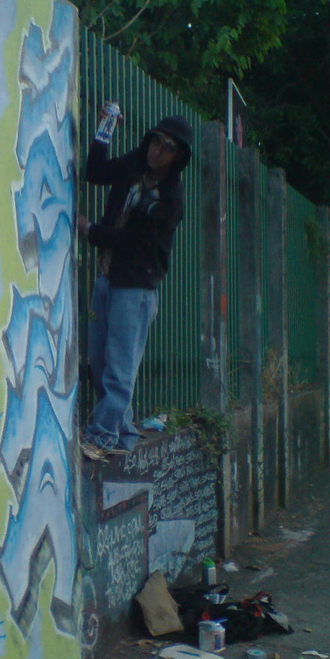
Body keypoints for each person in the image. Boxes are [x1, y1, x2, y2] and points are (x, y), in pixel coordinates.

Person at [76, 106, 193, 459]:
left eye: (166, 148)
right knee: (100, 363)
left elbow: (134, 243)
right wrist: (105, 128)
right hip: (108, 278)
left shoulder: (170, 200)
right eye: (155, 142)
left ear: (177, 157)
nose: (157, 151)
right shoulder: (135, 167)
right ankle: (122, 434)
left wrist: (90, 231)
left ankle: (103, 435)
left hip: (136, 290)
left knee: (119, 368)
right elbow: (95, 171)